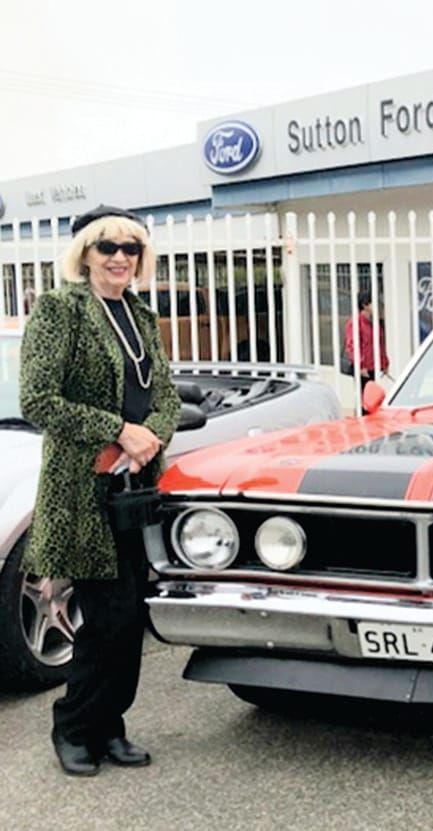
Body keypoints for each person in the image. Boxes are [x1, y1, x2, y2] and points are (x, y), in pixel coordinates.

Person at [19, 204, 181, 776]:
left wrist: (150, 437)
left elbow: (166, 394)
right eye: (107, 247)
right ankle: (74, 728)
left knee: (131, 615)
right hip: (81, 491)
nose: (119, 258)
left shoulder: (141, 314)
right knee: (106, 618)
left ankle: (111, 727)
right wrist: (117, 430)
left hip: (136, 487)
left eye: (130, 248)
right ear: (85, 253)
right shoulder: (61, 311)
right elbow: (38, 401)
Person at [343, 289, 389, 391]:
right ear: (365, 305)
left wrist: (385, 362)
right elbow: (352, 346)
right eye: (373, 303)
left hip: (374, 366)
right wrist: (360, 365)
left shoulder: (375, 322)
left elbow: (380, 344)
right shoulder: (355, 322)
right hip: (364, 369)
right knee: (365, 397)